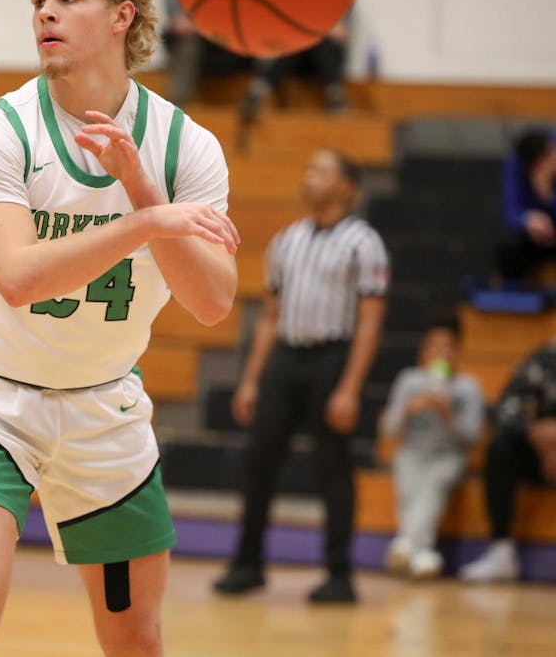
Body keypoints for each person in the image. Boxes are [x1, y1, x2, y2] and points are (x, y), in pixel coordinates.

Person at [0, 0, 239, 657]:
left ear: (122, 16)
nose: (45, 14)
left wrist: (139, 188)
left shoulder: (184, 145)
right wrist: (147, 223)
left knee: (135, 638)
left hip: (105, 408)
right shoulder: (1, 129)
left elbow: (214, 300)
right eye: (39, 0)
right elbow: (18, 278)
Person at [215, 149, 389, 604]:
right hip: (285, 357)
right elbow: (270, 318)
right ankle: (248, 564)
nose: (309, 178)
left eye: (321, 171)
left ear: (347, 186)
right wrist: (252, 379)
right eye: (309, 169)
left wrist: (350, 388)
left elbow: (370, 320)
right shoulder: (287, 239)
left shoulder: (364, 242)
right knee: (258, 460)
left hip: (333, 356)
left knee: (333, 466)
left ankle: (339, 574)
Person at [380, 310, 485, 579]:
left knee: (434, 483)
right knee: (409, 486)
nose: (440, 353)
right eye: (434, 346)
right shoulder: (409, 381)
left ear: (458, 350)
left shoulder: (468, 387)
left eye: (447, 347)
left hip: (449, 456)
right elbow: (389, 430)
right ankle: (423, 554)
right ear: (424, 349)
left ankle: (406, 543)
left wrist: (449, 415)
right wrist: (408, 410)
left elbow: (472, 437)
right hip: (412, 452)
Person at [459, 336, 556, 583]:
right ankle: (501, 551)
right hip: (543, 457)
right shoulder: (546, 358)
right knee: (500, 448)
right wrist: (535, 434)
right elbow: (504, 409)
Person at [240, 20, 350, 122]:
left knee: (319, 40)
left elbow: (342, 35)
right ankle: (260, 89)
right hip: (297, 59)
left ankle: (334, 93)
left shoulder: (340, 7)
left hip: (322, 61)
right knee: (298, 41)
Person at [496, 129, 556, 283]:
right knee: (508, 244)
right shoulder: (515, 165)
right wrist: (527, 220)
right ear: (537, 164)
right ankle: (512, 298)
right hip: (535, 236)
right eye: (549, 156)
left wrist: (548, 196)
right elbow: (510, 211)